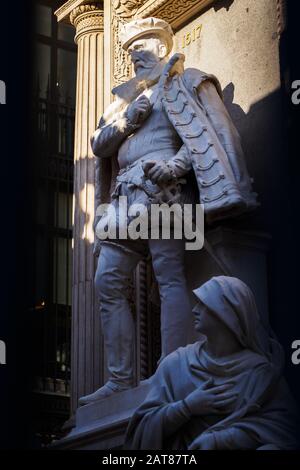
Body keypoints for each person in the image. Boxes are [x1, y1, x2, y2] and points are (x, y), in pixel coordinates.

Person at [79, 17, 257, 405]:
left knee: (169, 274)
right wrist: (129, 119)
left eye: (140, 50)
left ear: (161, 48)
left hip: (166, 191)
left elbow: (205, 132)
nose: (133, 58)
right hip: (125, 196)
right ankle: (120, 379)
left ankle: (172, 366)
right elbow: (99, 144)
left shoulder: (188, 81)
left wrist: (176, 166)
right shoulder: (122, 104)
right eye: (129, 53)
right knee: (106, 281)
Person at [124, 276, 298, 450]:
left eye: (203, 304)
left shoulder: (260, 373)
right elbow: (141, 429)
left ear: (225, 313)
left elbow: (285, 430)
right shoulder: (176, 364)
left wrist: (221, 440)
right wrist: (187, 407)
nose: (194, 310)